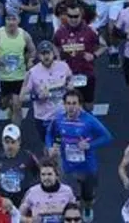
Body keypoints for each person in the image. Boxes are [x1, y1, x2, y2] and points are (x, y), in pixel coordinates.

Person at [45, 91, 112, 221]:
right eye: (68, 103)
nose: (71, 107)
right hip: (67, 167)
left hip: (87, 167)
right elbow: (49, 134)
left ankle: (87, 207)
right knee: (71, 201)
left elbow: (107, 137)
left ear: (80, 105)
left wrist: (89, 145)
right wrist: (50, 147)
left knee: (88, 197)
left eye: (74, 103)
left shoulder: (89, 120)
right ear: (64, 104)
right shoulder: (58, 120)